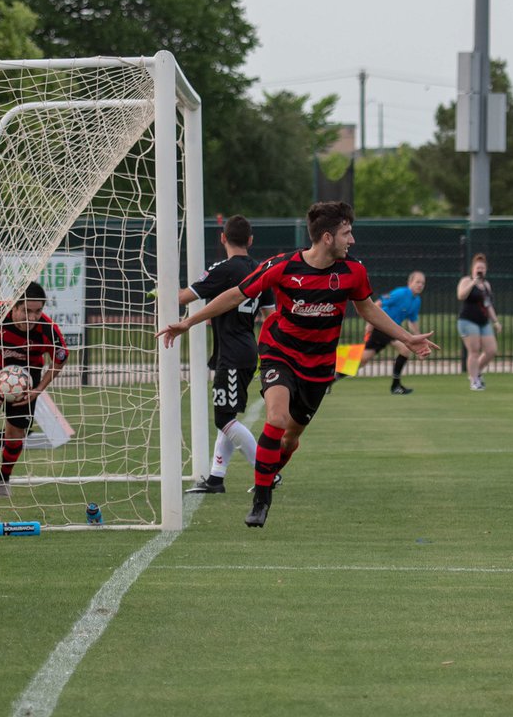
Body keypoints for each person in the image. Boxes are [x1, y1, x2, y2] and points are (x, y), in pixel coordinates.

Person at [157, 201, 439, 528]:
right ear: (327, 238)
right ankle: (261, 501)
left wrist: (407, 338)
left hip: (318, 367)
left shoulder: (353, 272)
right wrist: (188, 322)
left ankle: (268, 473)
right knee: (275, 418)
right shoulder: (283, 266)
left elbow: (368, 310)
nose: (353, 240)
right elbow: (236, 294)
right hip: (280, 352)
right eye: (347, 233)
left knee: (290, 439)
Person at [178, 215, 275, 494]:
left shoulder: (223, 268)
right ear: (251, 240)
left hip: (231, 353)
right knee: (227, 415)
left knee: (223, 419)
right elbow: (271, 317)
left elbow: (186, 297)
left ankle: (268, 472)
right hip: (245, 349)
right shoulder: (260, 270)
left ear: (223, 238)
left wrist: (162, 293)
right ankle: (216, 478)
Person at [0, 281, 69, 498]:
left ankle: (4, 478)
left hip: (26, 383)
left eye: (38, 311)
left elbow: (59, 360)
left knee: (15, 435)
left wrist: (38, 390)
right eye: (27, 311)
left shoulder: (48, 329)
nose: (32, 317)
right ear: (14, 307)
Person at [351, 270, 426, 395]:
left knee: (363, 360)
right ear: (409, 282)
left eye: (423, 283)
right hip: (381, 327)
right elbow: (377, 304)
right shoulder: (400, 293)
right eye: (417, 282)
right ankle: (395, 386)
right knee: (405, 349)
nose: (420, 285)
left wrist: (418, 338)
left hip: (390, 331)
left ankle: (331, 377)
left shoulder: (416, 300)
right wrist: (369, 323)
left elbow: (412, 322)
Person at [457, 253, 501, 391]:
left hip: (483, 321)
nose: (480, 270)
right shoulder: (466, 280)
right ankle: (474, 381)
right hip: (468, 321)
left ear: (486, 269)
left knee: (491, 350)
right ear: (473, 269)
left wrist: (495, 321)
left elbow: (488, 305)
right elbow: (461, 295)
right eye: (478, 267)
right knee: (474, 351)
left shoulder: (486, 285)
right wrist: (473, 282)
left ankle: (475, 373)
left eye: (483, 267)